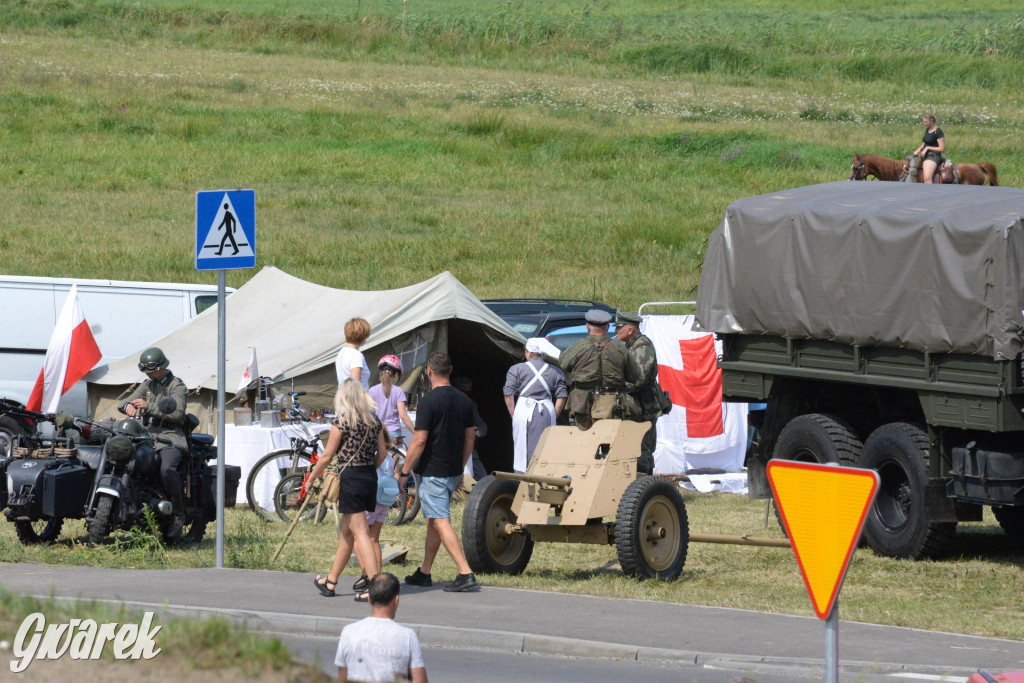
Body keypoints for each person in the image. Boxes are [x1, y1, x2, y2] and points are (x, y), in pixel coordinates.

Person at [398, 352, 478, 592]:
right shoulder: (465, 401)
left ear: (429, 372)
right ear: (450, 370)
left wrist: (404, 471)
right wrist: (460, 469)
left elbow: (419, 442)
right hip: (452, 469)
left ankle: (465, 572)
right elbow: (470, 438)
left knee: (441, 522)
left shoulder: (429, 402)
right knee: (434, 521)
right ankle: (425, 572)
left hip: (433, 471)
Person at [309, 379, 386, 601]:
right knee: (346, 532)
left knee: (361, 533)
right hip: (368, 477)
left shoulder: (342, 422)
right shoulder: (374, 421)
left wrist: (311, 478)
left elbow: (326, 456)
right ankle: (331, 581)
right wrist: (368, 470)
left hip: (350, 478)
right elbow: (381, 454)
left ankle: (375, 588)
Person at [357, 355, 416, 592]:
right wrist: (415, 430)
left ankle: (367, 577)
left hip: (374, 437)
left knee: (362, 535)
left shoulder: (370, 390)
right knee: (390, 474)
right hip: (392, 438)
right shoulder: (399, 392)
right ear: (397, 373)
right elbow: (403, 416)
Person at [119, 347, 189, 538]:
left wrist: (148, 406)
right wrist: (129, 407)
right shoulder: (147, 385)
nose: (148, 374)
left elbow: (177, 413)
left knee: (167, 468)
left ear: (161, 367)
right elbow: (123, 402)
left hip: (171, 435)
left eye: (151, 371)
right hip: (147, 435)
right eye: (146, 371)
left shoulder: (177, 386)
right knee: (125, 461)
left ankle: (178, 514)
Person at [335, 573, 427, 683]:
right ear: (396, 600)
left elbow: (342, 677)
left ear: (369, 599)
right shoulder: (408, 636)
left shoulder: (348, 632)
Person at [559, 309, 637, 431]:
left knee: (584, 442)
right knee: (609, 441)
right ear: (607, 327)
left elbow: (564, 364)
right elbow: (632, 375)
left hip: (582, 403)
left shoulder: (577, 347)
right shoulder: (620, 349)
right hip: (612, 404)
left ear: (587, 327)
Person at [616, 311, 670, 475]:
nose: (616, 331)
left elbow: (639, 378)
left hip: (644, 406)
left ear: (630, 330)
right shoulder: (633, 346)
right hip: (637, 405)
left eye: (619, 327)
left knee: (642, 449)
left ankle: (644, 485)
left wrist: (619, 384)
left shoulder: (642, 347)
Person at [503, 338, 567, 473]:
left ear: (529, 352)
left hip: (523, 410)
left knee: (522, 447)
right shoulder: (555, 370)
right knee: (546, 446)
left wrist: (513, 414)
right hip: (547, 410)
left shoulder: (517, 369)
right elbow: (561, 395)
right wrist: (554, 414)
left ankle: (522, 475)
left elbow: (509, 393)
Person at [452, 375, 488, 481]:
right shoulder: (447, 402)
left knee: (484, 481)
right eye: (462, 392)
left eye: (468, 393)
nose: (465, 396)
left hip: (469, 450)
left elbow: (482, 427)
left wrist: (473, 431)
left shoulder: (470, 404)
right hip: (451, 450)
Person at [336, 317, 371, 391]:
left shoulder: (341, 353)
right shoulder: (356, 355)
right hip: (356, 400)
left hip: (343, 398)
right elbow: (355, 385)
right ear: (362, 335)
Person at [912, 113, 945, 184]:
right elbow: (925, 142)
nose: (924, 124)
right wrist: (918, 149)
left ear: (932, 120)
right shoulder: (928, 129)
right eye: (924, 122)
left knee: (927, 177)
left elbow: (942, 149)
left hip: (933, 156)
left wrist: (927, 148)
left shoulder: (938, 132)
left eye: (926, 122)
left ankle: (930, 192)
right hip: (924, 154)